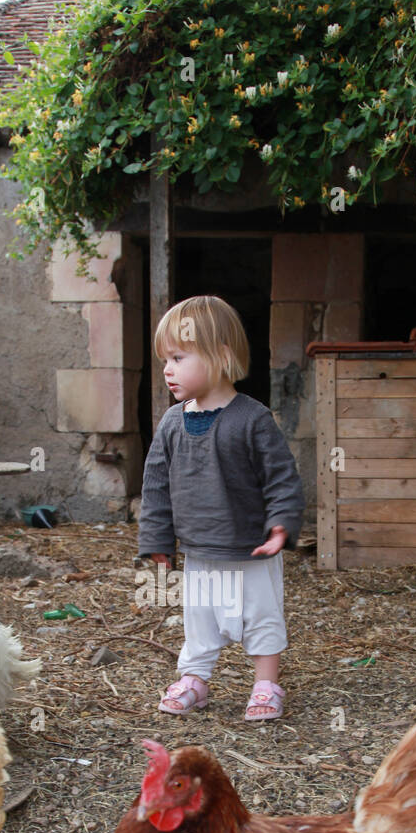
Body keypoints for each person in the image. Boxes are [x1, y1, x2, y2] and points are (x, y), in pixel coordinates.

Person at [137, 294, 304, 721]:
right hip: (199, 549)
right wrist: (157, 540)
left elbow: (281, 477)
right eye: (164, 360)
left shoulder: (252, 419)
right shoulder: (172, 422)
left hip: (250, 547)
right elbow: (155, 486)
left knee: (261, 616)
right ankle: (195, 679)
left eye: (178, 356)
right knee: (199, 620)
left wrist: (281, 525)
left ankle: (266, 683)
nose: (167, 369)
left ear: (221, 356)